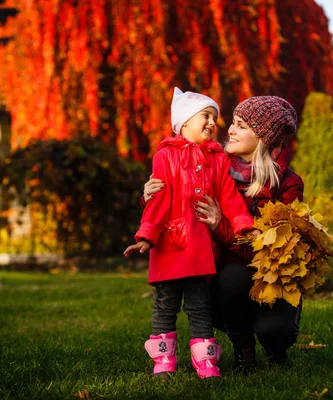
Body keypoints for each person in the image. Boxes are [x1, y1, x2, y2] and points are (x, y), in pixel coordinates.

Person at [142, 95, 304, 374]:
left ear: (263, 137)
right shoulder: (214, 162)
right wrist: (149, 197)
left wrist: (221, 227)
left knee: (274, 330)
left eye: (240, 126)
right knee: (226, 281)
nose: (228, 129)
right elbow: (179, 196)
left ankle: (274, 347)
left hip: (267, 272)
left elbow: (271, 251)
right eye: (232, 123)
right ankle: (243, 349)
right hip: (228, 268)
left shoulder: (288, 183)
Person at [124, 87, 259, 379]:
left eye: (214, 118)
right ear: (184, 123)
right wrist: (147, 234)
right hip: (169, 245)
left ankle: (206, 362)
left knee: (200, 306)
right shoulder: (165, 156)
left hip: (200, 250)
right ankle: (163, 361)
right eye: (206, 116)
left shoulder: (218, 159)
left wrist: (242, 223)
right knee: (165, 304)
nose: (213, 123)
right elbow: (158, 198)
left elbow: (230, 197)